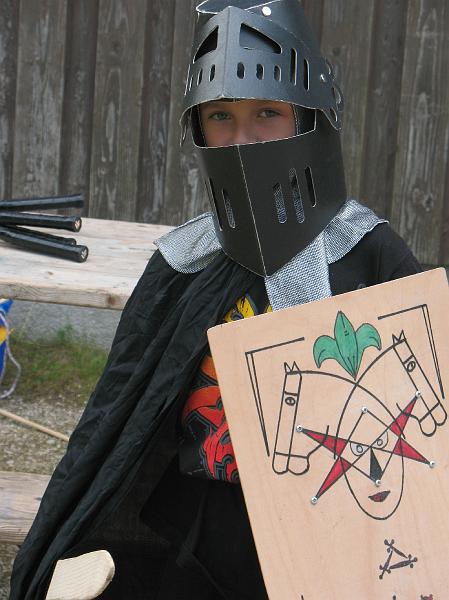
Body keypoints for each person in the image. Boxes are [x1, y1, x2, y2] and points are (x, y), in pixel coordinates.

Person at [9, 1, 422, 599]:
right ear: (198, 128)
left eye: (267, 113)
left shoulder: (369, 254)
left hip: (335, 542)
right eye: (221, 116)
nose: (243, 139)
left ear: (308, 118)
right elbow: (119, 425)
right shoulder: (187, 260)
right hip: (201, 538)